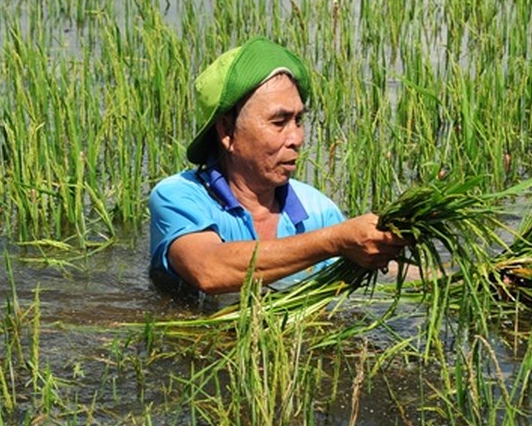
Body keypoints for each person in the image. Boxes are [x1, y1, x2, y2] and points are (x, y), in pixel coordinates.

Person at [148, 36, 406, 297]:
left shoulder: (317, 209)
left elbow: (382, 267)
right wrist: (335, 240)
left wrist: (440, 275)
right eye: (279, 122)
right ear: (227, 130)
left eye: (298, 120)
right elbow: (208, 269)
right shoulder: (178, 197)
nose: (297, 138)